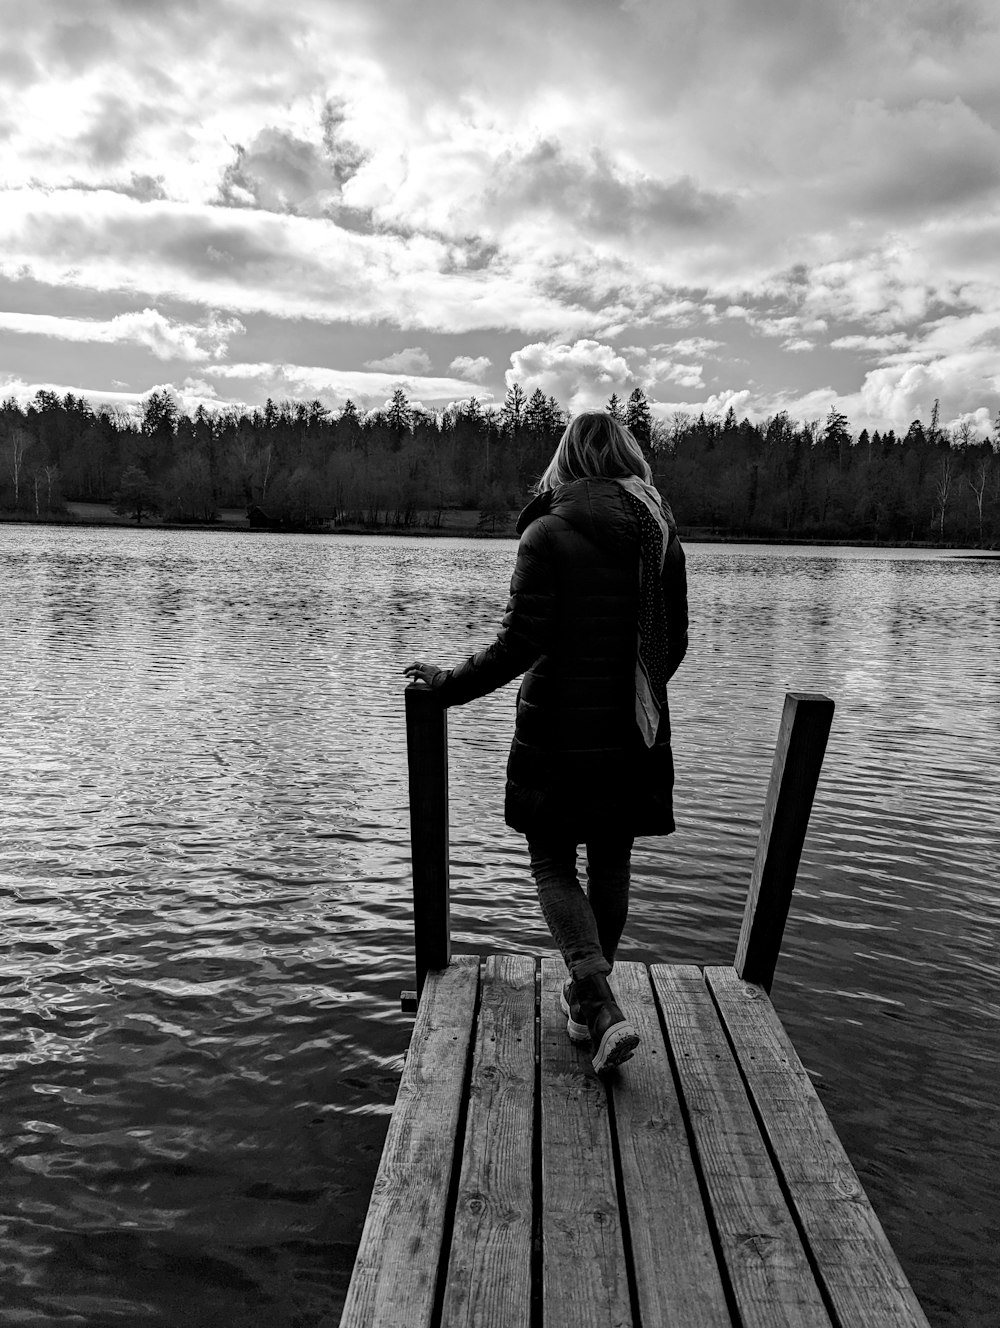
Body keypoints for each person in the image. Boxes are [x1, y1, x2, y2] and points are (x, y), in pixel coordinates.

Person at [404, 411, 688, 1073]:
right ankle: (591, 998)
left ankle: (597, 1000)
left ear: (567, 459)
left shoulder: (549, 532)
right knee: (611, 861)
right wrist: (631, 690)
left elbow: (520, 645)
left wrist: (447, 685)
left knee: (554, 864)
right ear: (628, 459)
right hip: (633, 729)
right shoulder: (662, 538)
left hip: (558, 729)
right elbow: (671, 645)